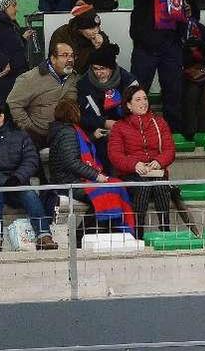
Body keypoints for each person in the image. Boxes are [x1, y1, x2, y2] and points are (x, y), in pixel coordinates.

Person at [130, 0, 194, 131]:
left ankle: (172, 131)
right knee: (139, 89)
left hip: (171, 42)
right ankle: (135, 129)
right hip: (146, 44)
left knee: (173, 91)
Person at [48, 99, 135, 240]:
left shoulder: (66, 131)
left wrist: (92, 137)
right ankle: (81, 235)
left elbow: (75, 150)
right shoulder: (68, 133)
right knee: (108, 193)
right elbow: (72, 162)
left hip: (73, 179)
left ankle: (108, 232)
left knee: (115, 187)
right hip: (70, 182)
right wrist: (96, 176)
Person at [0, 99, 58, 252]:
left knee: (29, 193)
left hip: (18, 180)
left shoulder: (20, 135)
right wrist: (4, 180)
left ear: (1, 116)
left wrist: (17, 178)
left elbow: (31, 159)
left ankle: (44, 236)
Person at [107, 85, 176, 239]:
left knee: (160, 183)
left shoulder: (159, 123)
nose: (143, 102)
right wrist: (135, 165)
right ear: (128, 105)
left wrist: (159, 161)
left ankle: (165, 229)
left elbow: (169, 150)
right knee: (143, 185)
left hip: (155, 171)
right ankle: (138, 232)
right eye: (138, 99)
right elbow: (115, 155)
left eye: (145, 98)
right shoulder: (119, 127)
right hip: (131, 174)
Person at [77, 43, 138, 172]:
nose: (99, 73)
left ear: (111, 68)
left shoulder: (128, 81)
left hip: (127, 130)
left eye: (102, 68)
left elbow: (139, 111)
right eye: (95, 68)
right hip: (97, 132)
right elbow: (80, 116)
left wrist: (120, 128)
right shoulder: (83, 85)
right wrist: (104, 123)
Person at [7, 41, 79, 149]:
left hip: (63, 134)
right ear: (53, 59)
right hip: (37, 137)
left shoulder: (73, 77)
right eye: (64, 55)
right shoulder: (30, 78)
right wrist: (29, 128)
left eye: (72, 56)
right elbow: (13, 103)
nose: (70, 59)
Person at [180, 17, 205, 140]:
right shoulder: (175, 30)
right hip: (182, 71)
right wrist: (187, 49)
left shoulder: (202, 29)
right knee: (192, 90)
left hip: (202, 72)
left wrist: (202, 46)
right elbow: (174, 59)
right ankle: (191, 132)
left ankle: (203, 132)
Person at [49, 2, 110, 74]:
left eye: (97, 27)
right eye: (91, 29)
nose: (96, 31)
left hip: (90, 77)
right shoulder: (62, 34)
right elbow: (55, 62)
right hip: (66, 75)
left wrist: (100, 47)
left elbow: (108, 64)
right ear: (80, 28)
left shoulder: (101, 38)